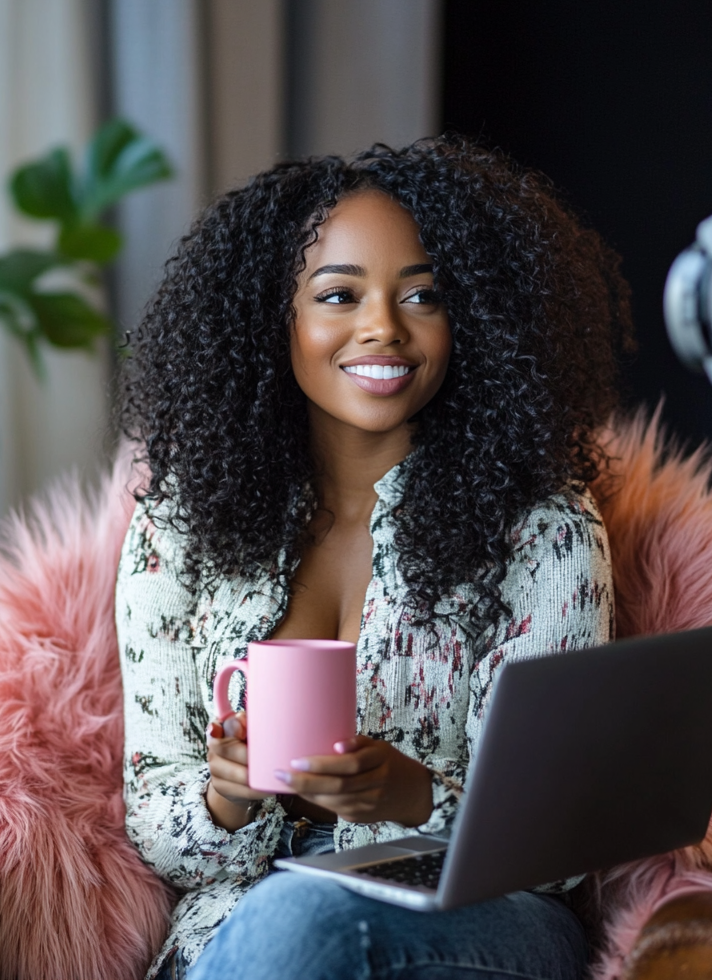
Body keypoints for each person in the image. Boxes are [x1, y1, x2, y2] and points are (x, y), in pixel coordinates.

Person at [117, 136, 634, 980]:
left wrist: (412, 798)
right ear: (272, 316)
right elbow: (158, 822)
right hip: (235, 928)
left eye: (423, 295)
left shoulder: (545, 532)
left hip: (477, 919)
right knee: (280, 924)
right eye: (338, 294)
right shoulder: (180, 525)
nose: (383, 329)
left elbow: (555, 851)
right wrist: (225, 798)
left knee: (298, 920)